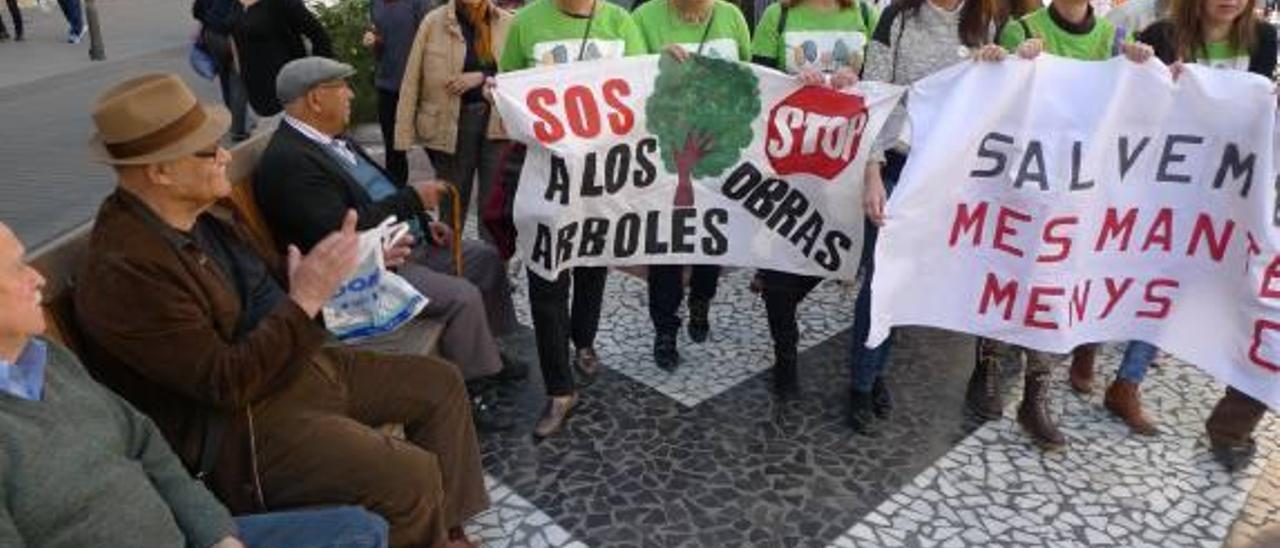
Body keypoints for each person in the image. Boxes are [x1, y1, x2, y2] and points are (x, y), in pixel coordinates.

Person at [73, 73, 488, 547]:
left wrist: (353, 264)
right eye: (208, 150)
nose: (225, 156)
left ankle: (449, 533)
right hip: (242, 431)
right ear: (160, 171)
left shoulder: (200, 215)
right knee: (408, 476)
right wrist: (306, 298)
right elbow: (226, 384)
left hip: (297, 368)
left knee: (438, 383)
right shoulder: (126, 272)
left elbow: (269, 281)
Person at [0, 222, 390, 548]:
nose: (39, 278)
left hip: (182, 534)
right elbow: (225, 379)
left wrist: (215, 533)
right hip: (223, 445)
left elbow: (144, 443)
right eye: (18, 269)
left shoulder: (47, 361)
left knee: (361, 531)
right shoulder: (131, 266)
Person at [254, 58, 527, 432]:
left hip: (398, 239)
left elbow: (376, 193)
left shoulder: (329, 139)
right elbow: (340, 234)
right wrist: (412, 201)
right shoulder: (290, 162)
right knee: (460, 296)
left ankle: (487, 353)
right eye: (342, 86)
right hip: (362, 268)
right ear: (316, 99)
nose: (350, 93)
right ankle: (471, 389)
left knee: (483, 258)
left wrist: (423, 223)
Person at [964, 0, 1154, 451]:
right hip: (1024, 186)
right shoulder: (1022, 29)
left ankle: (1035, 396)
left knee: (1054, 291)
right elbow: (1000, 102)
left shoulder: (1112, 40)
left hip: (1079, 194)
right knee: (1007, 279)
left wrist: (1142, 67)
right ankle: (986, 369)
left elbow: (1131, 104)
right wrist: (1010, 63)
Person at [849, 0, 1006, 435]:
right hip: (896, 167)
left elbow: (996, 100)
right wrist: (872, 171)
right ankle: (861, 383)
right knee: (881, 280)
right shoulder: (896, 17)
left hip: (946, 173)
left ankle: (877, 372)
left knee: (904, 282)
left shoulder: (985, 21)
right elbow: (874, 95)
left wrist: (999, 63)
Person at [1137, 0, 1276, 469]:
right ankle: (1099, 365)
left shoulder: (1264, 40)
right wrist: (1153, 82)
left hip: (1226, 190)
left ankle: (1228, 424)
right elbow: (1135, 109)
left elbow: (1255, 116)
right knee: (1140, 279)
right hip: (1165, 184)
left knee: (1228, 293)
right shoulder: (1162, 33)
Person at [499, 0, 646, 438]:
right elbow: (510, 95)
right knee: (546, 284)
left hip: (603, 181)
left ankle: (583, 340)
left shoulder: (620, 22)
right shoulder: (526, 22)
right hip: (546, 179)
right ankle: (560, 389)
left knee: (592, 270)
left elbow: (643, 91)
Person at [749, 0, 877, 397]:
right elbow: (756, 86)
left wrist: (853, 81)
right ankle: (785, 355)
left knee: (839, 252)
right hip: (787, 163)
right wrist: (790, 82)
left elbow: (880, 84)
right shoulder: (778, 15)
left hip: (844, 163)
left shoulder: (866, 15)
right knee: (778, 269)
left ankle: (873, 373)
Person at [631, 0, 750, 372]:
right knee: (664, 241)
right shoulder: (645, 17)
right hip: (664, 151)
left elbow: (752, 77)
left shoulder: (731, 16)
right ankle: (664, 328)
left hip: (719, 149)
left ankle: (702, 299)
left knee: (710, 235)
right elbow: (626, 82)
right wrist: (654, 63)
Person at [396, 0, 513, 242]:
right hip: (451, 124)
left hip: (498, 122)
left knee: (494, 208)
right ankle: (451, 266)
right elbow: (411, 78)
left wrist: (482, 77)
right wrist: (403, 133)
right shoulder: (433, 21)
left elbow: (520, 74)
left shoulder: (508, 22)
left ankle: (493, 272)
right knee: (451, 203)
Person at [227, 0, 334, 117]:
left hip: (292, 94)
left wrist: (320, 80)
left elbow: (318, 35)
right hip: (260, 97)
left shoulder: (280, 3)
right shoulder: (235, 5)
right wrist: (240, 71)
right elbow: (235, 37)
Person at [367, 0, 432, 186]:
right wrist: (376, 42)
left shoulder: (419, 3)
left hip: (417, 85)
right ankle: (397, 201)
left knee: (432, 144)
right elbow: (380, 47)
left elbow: (430, 39)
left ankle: (450, 193)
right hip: (387, 84)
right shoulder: (375, 4)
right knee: (393, 148)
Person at [194, 0, 253, 141]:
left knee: (225, 77)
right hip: (234, 35)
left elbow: (197, 10)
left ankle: (234, 119)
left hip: (213, 35)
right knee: (239, 81)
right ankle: (239, 129)